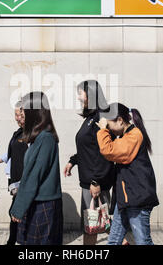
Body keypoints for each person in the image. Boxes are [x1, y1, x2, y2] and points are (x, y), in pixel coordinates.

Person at [96, 103, 159, 245]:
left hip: (137, 199)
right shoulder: (126, 136)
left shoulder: (134, 135)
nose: (108, 128)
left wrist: (102, 131)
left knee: (143, 241)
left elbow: (109, 150)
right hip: (125, 198)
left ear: (120, 120)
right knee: (113, 241)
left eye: (109, 124)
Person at [63, 80, 115, 245]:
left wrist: (96, 181)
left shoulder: (101, 117)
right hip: (89, 181)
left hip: (95, 182)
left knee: (94, 223)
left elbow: (104, 152)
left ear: (91, 94)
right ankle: (125, 241)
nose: (78, 97)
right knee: (96, 223)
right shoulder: (91, 118)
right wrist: (73, 161)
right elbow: (88, 149)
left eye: (81, 93)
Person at [10, 92, 63, 245]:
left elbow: (33, 176)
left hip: (43, 204)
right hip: (37, 202)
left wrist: (19, 207)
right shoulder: (40, 137)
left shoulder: (45, 138)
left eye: (24, 109)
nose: (22, 113)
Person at [0, 100, 28, 245]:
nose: (17, 118)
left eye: (19, 114)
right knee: (15, 213)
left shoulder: (32, 134)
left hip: (24, 182)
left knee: (16, 212)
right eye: (15, 115)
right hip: (15, 181)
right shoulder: (18, 133)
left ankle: (14, 241)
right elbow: (10, 152)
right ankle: (14, 240)